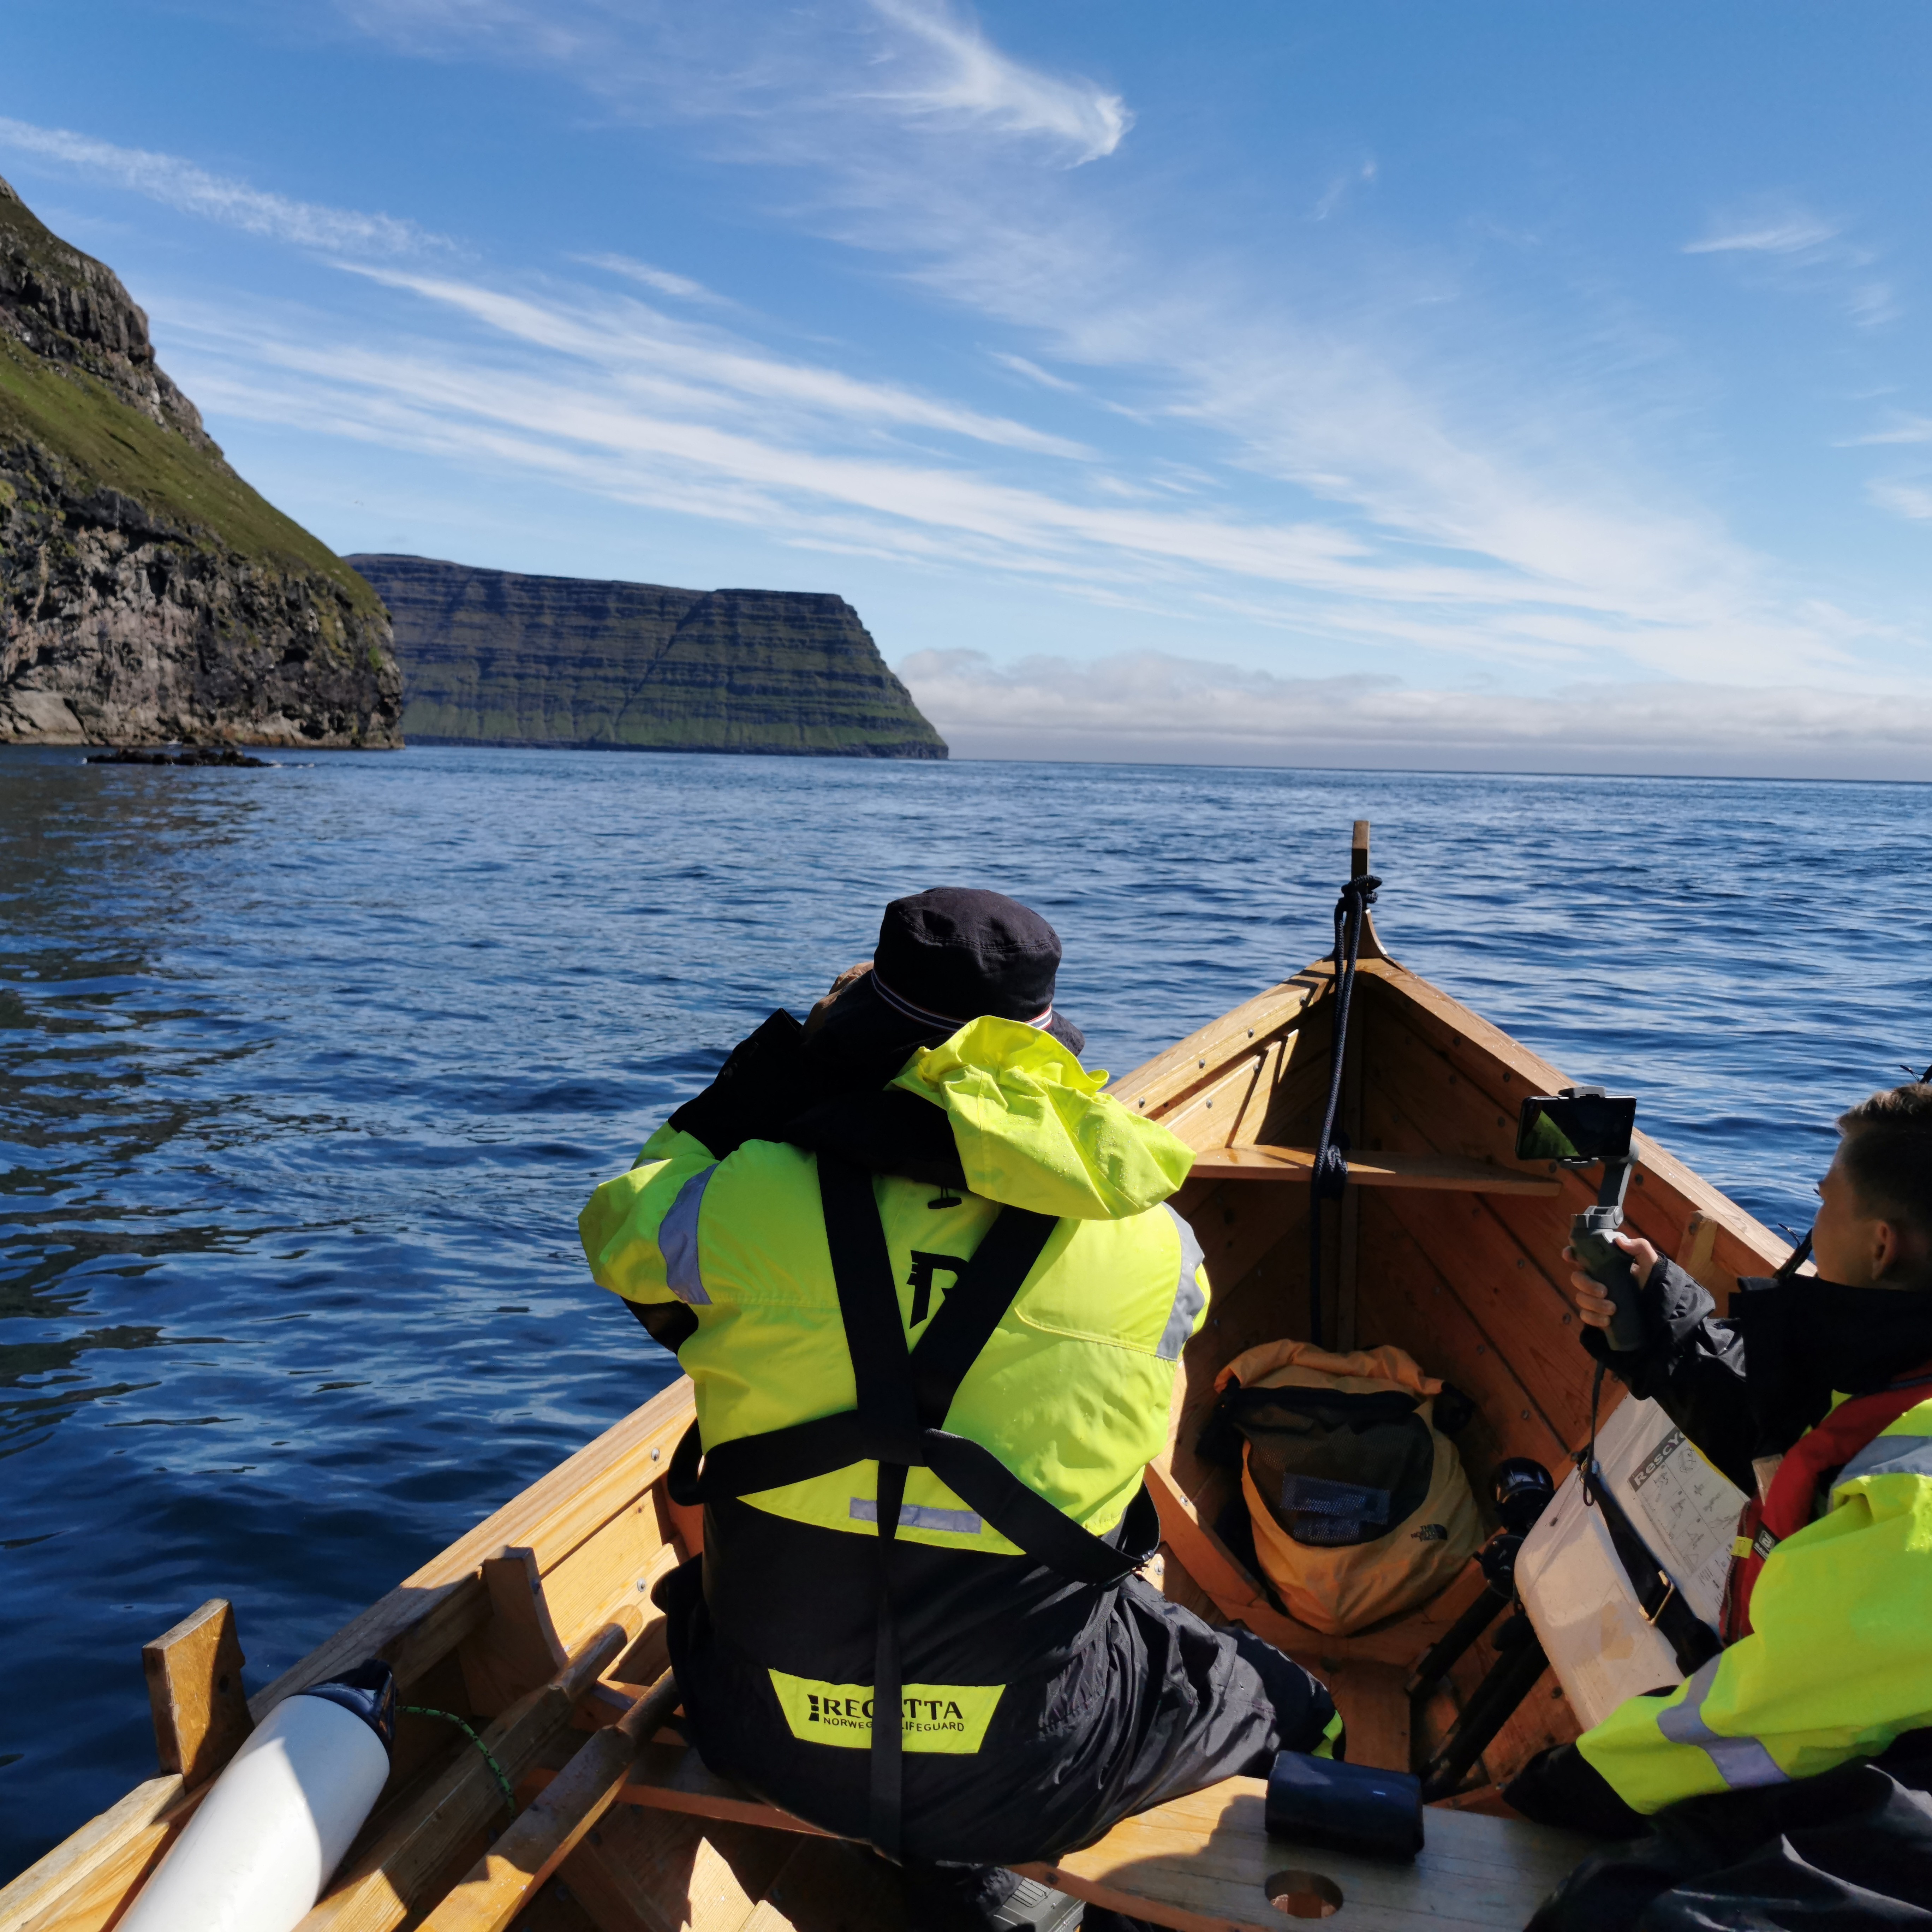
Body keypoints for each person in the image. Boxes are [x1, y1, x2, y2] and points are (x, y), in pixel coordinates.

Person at [579, 888, 1338, 1930]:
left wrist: (750, 1102)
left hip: (762, 1735)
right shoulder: (1162, 1255)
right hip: (1039, 1768)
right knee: (1297, 1705)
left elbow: (619, 1235)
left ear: (858, 1045)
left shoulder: (743, 1196)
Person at [1507, 1082, 1932, 1930]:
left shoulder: (1916, 1504)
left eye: (1823, 1208)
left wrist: (1561, 1784)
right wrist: (1659, 1319)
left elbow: (1765, 1717)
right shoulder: (1900, 1371)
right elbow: (1797, 1429)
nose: (1811, 1235)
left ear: (1880, 1246)